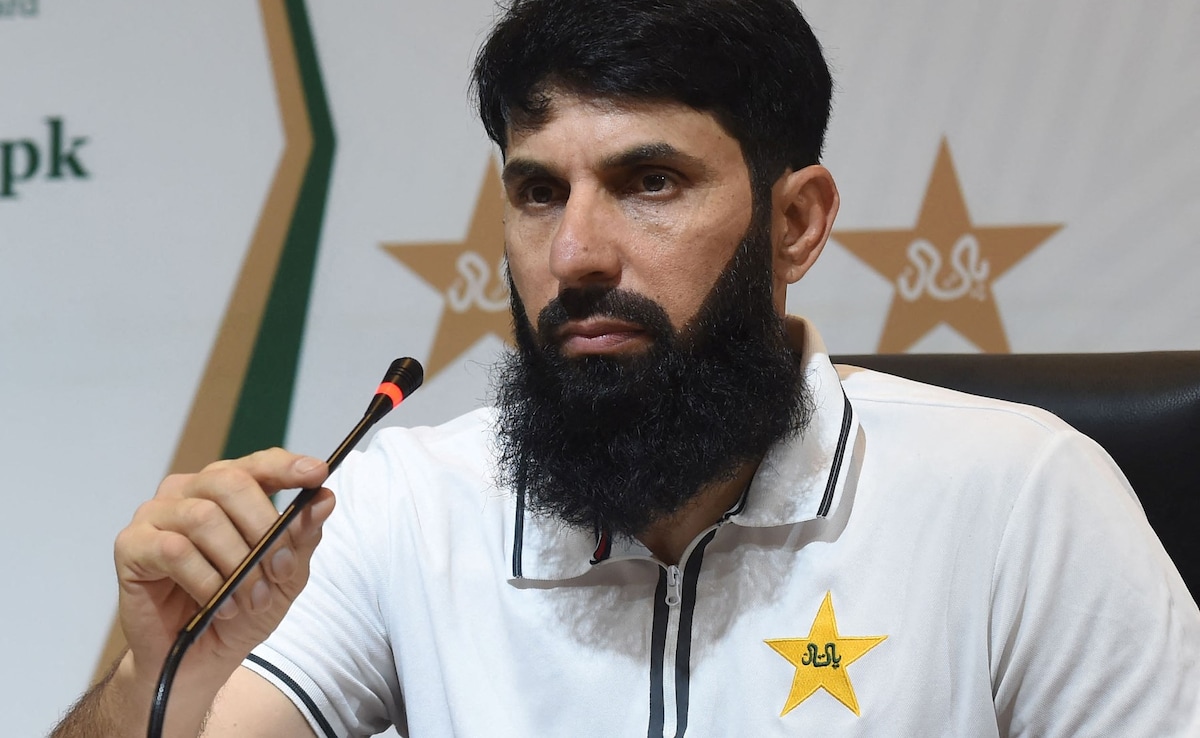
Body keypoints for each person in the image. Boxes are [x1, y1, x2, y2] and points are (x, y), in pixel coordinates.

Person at [53, 0, 1200, 735]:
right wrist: (155, 685)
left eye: (650, 182)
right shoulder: (403, 509)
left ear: (796, 222)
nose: (576, 254)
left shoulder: (1020, 498)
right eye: (538, 191)